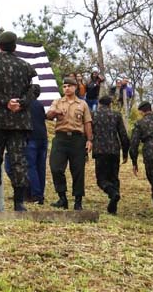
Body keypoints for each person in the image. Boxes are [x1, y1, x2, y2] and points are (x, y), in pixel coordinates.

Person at [0, 31, 39, 213]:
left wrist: (5, 101)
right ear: (14, 46)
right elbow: (35, 89)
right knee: (19, 160)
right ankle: (19, 203)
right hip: (19, 122)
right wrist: (21, 103)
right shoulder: (27, 67)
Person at [46, 76, 92, 210]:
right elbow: (48, 115)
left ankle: (78, 201)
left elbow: (87, 122)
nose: (66, 88)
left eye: (69, 86)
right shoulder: (57, 102)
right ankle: (62, 198)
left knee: (78, 170)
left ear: (75, 87)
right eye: (64, 86)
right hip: (60, 138)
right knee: (56, 168)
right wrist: (56, 111)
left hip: (77, 139)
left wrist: (89, 140)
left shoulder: (82, 104)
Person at [91, 95, 130, 214]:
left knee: (101, 179)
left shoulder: (94, 115)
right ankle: (114, 206)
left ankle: (113, 193)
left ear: (99, 103)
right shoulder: (116, 115)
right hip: (114, 150)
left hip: (100, 150)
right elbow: (123, 135)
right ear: (110, 104)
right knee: (114, 177)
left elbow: (88, 132)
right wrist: (125, 152)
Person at [24, 93, 49, 205]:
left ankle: (35, 194)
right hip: (42, 137)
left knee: (31, 167)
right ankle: (40, 193)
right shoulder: (39, 104)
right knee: (41, 167)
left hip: (31, 137)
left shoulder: (24, 104)